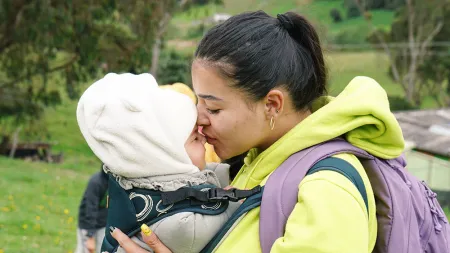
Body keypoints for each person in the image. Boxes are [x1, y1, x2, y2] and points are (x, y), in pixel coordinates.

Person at [110, 10, 406, 253]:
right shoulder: (257, 163)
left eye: (214, 109)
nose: (198, 120)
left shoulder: (328, 191)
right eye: (198, 102)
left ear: (272, 105)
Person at [76, 73, 240, 253]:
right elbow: (244, 212)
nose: (204, 139)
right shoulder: (185, 225)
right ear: (165, 155)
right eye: (194, 137)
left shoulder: (149, 185)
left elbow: (211, 173)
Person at [75, 165, 108, 253]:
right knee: (84, 251)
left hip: (103, 224)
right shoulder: (96, 182)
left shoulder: (116, 183)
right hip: (87, 224)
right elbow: (89, 209)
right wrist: (90, 235)